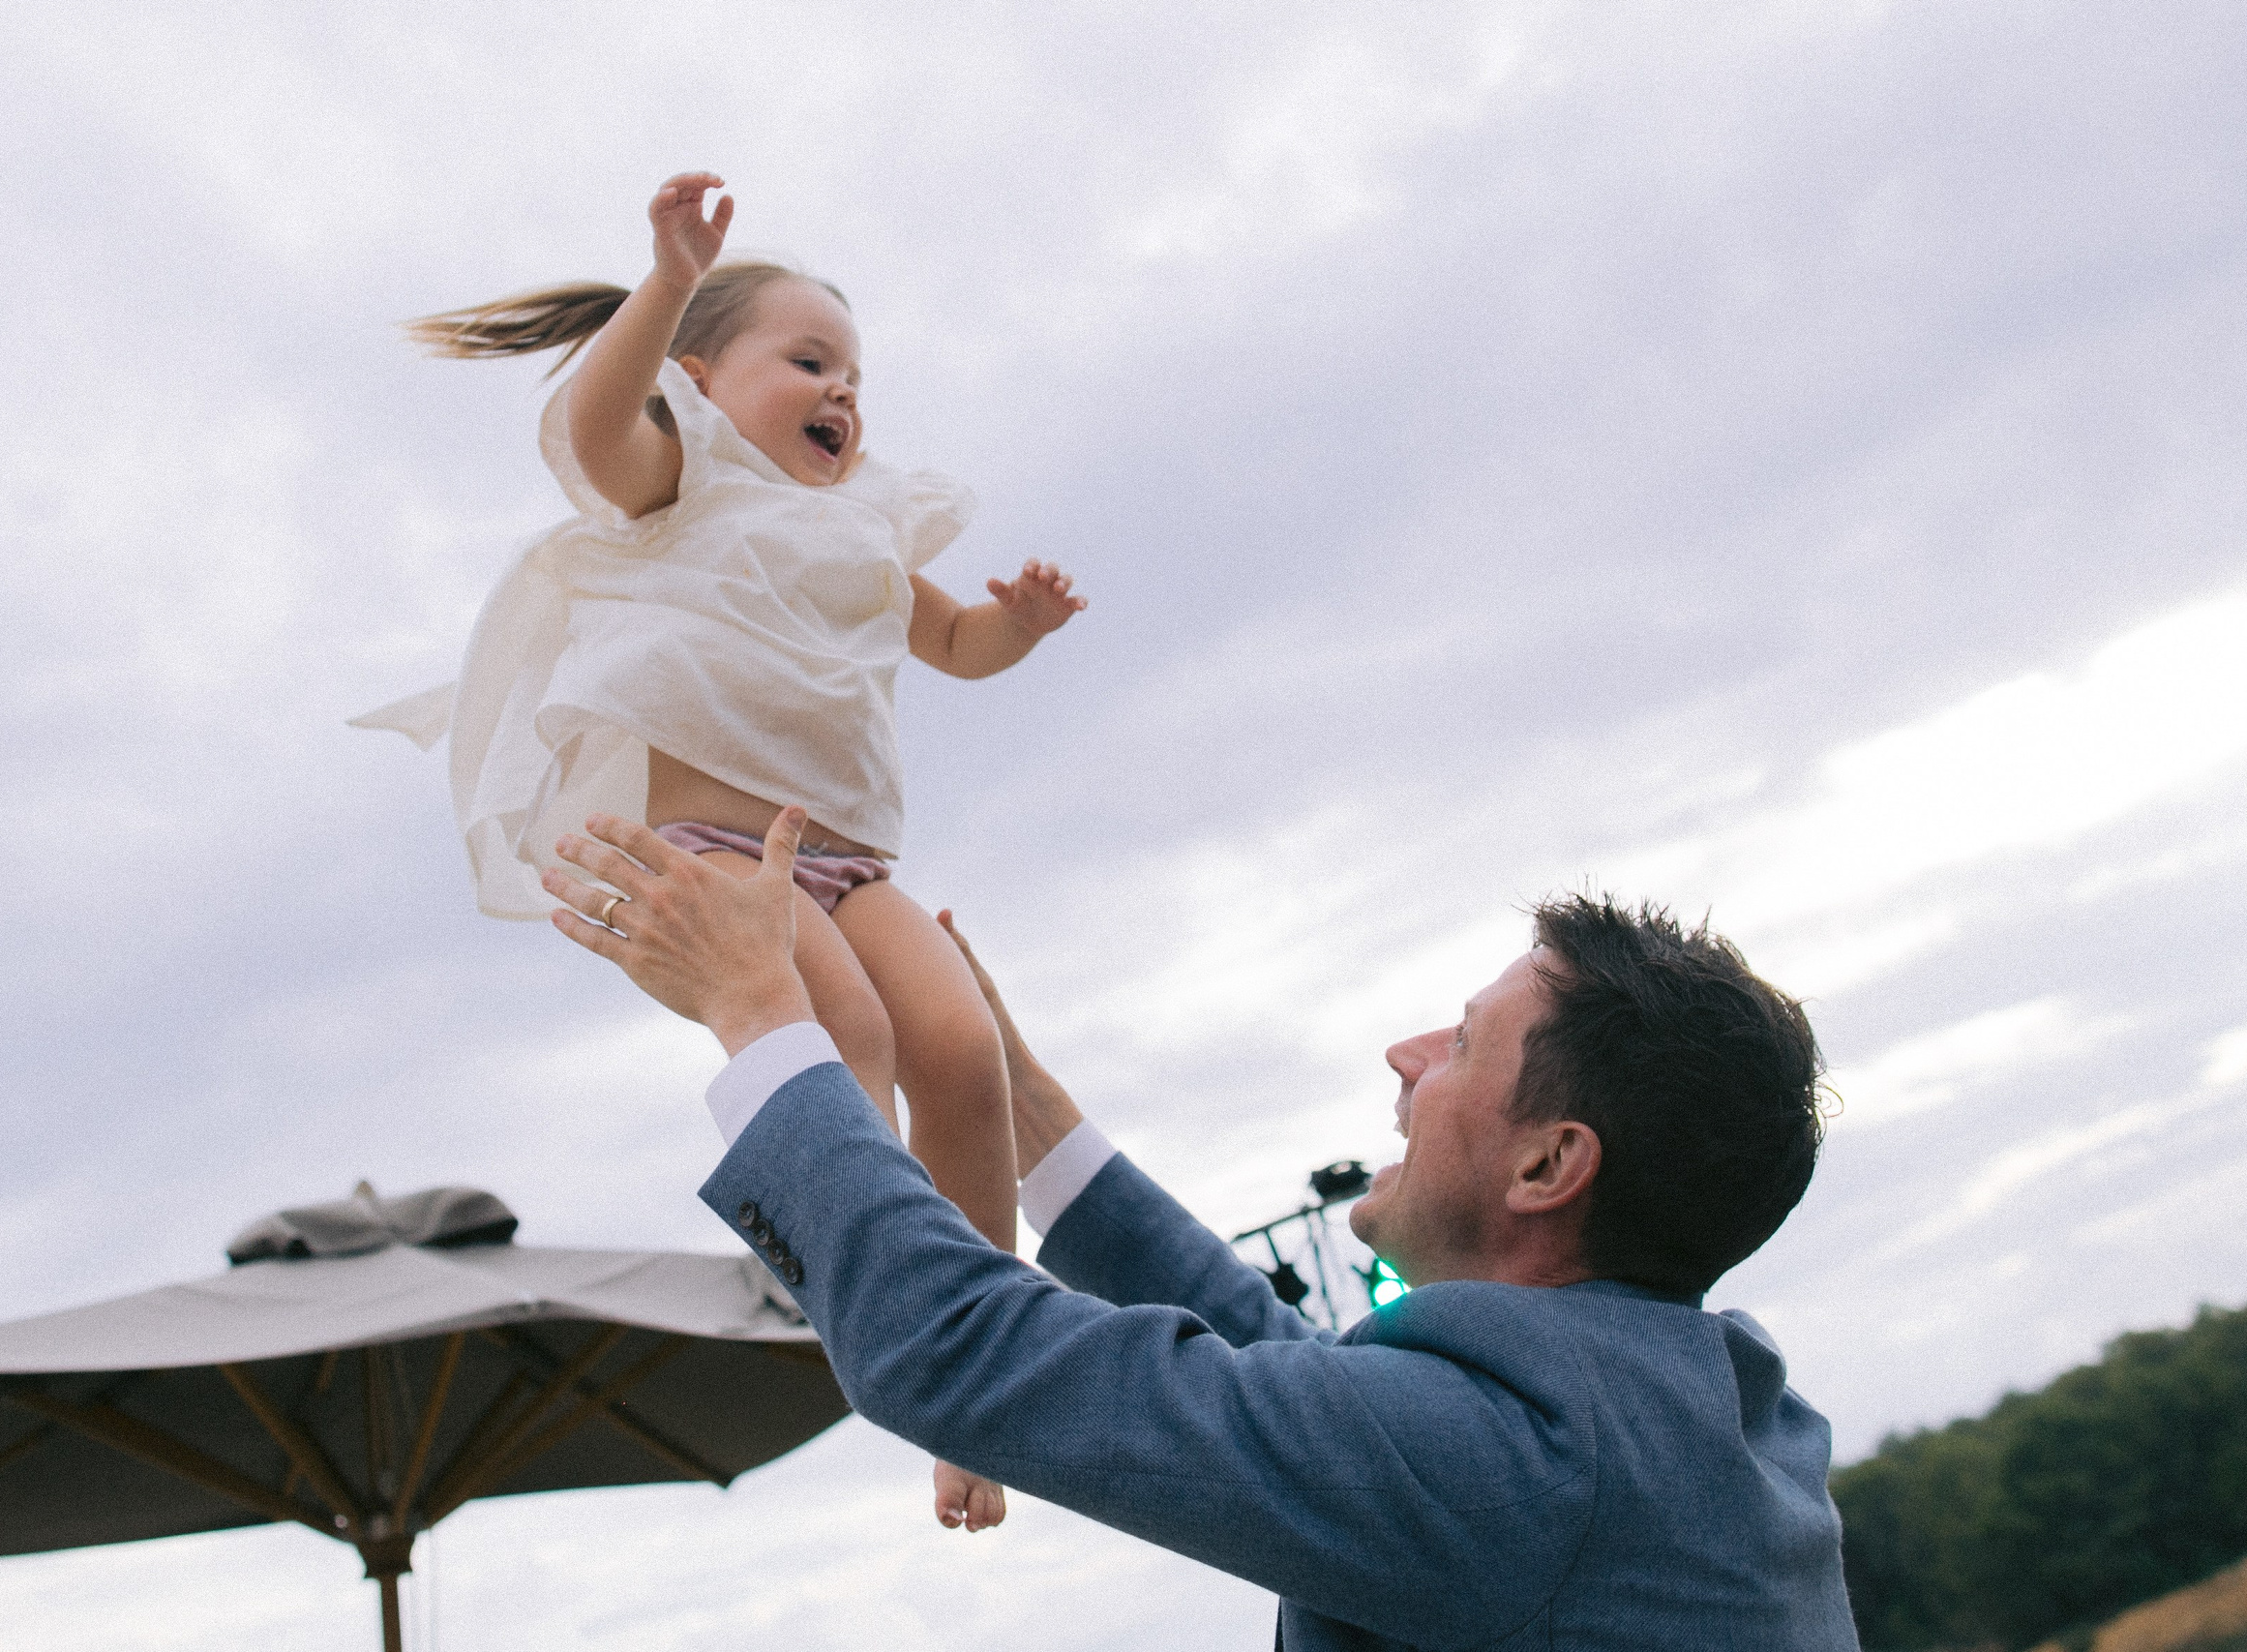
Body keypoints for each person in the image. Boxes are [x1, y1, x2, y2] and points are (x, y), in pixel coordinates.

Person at [541, 806, 1862, 1649]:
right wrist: (1018, 1099)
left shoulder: (1521, 1472)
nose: (1403, 1057)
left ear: (1551, 1163)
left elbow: (957, 1349)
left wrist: (759, 1017)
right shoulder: (1681, 1413)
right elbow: (1287, 1370)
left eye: (1461, 1045)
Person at [360, 172, 1086, 1530]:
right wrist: (667, 278)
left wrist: (1019, 627)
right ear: (697, 379)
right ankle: (906, 1334)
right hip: (719, 856)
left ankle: (980, 1368)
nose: (845, 394)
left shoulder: (864, 524)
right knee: (852, 1033)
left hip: (848, 863)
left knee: (963, 1049)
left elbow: (956, 648)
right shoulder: (678, 479)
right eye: (809, 362)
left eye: (857, 376)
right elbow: (587, 424)